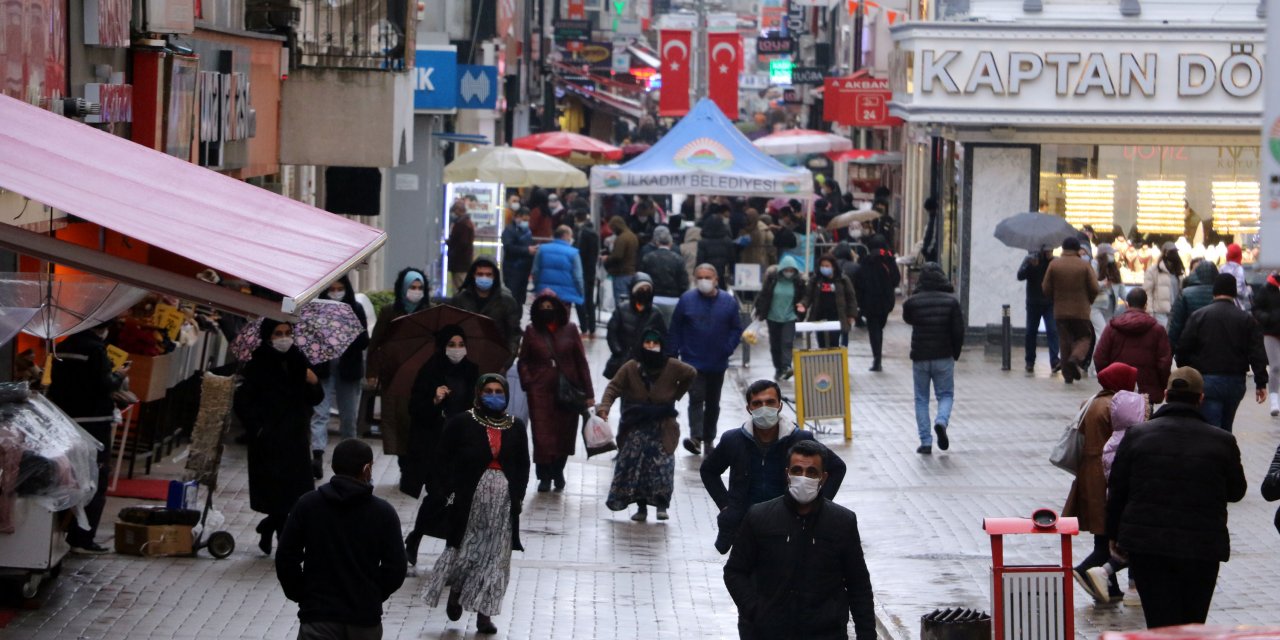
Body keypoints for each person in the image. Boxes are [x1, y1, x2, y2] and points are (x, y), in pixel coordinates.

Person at [1106, 367, 1247, 629]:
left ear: (1167, 394)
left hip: (1148, 546)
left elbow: (1117, 490)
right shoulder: (1223, 441)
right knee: (1192, 623)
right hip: (1202, 547)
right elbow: (1236, 491)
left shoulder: (1137, 435)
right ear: (1200, 398)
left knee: (1160, 623)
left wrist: (1114, 534)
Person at [723, 439, 874, 640]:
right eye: (797, 470)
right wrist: (755, 610)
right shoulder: (760, 517)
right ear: (787, 474)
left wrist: (866, 634)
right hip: (770, 633)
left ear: (823, 478)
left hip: (825, 633)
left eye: (811, 472)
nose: (804, 478)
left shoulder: (842, 522)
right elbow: (735, 571)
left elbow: (858, 585)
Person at [422, 374, 530, 636]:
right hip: (468, 502)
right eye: (488, 391)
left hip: (502, 505)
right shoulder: (462, 422)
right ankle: (457, 591)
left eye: (499, 391)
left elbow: (523, 464)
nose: (494, 396)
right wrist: (447, 491)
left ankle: (484, 614)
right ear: (479, 394)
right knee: (465, 552)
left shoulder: (516, 426)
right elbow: (442, 458)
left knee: (496, 558)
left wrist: (518, 495)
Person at [276, 439, 406, 640]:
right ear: (366, 469)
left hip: (318, 618)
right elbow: (396, 567)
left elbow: (286, 557)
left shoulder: (308, 505)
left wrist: (303, 595)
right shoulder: (383, 512)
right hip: (364, 621)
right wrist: (372, 595)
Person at [701, 380, 847, 555]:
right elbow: (708, 470)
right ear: (749, 408)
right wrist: (726, 506)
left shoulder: (799, 439)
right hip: (745, 526)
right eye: (757, 403)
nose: (764, 408)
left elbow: (837, 467)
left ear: (780, 405)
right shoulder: (733, 440)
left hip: (788, 526)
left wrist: (818, 506)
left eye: (770, 402)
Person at [235, 319, 324, 555]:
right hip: (269, 440)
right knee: (277, 493)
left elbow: (315, 398)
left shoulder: (299, 360)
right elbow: (243, 402)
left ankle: (269, 527)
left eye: (288, 332)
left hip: (295, 437)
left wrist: (314, 382)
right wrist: (258, 429)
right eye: (278, 333)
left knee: (296, 493)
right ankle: (283, 539)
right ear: (268, 337)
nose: (284, 338)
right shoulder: (257, 364)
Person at [597, 330, 697, 522]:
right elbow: (613, 387)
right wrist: (604, 407)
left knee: (663, 466)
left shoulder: (672, 365)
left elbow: (691, 373)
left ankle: (661, 505)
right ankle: (641, 507)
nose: (651, 346)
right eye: (647, 342)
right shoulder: (631, 367)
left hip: (663, 425)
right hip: (637, 424)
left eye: (655, 343)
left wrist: (676, 393)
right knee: (637, 466)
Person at [403, 326, 479, 565]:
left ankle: (451, 548)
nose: (457, 350)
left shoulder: (472, 371)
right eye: (451, 345)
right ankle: (416, 538)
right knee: (436, 495)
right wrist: (434, 400)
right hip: (434, 446)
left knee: (457, 499)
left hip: (462, 446)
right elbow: (414, 408)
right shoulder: (430, 370)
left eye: (461, 344)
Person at [46, 322, 123, 554]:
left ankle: (58, 532)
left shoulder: (63, 346)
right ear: (102, 327)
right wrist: (119, 376)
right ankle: (82, 538)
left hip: (65, 420)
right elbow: (104, 384)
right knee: (94, 477)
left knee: (66, 475)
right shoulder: (96, 349)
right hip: (94, 422)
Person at [1064, 362, 1137, 603]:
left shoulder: (1091, 402)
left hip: (1088, 475)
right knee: (1108, 538)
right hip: (1106, 475)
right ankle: (1085, 570)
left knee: (1102, 535)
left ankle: (1111, 590)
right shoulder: (1115, 406)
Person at [518, 292, 595, 492]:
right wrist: (529, 382)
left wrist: (589, 393)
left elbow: (581, 362)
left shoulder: (570, 330)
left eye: (550, 307)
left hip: (568, 390)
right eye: (542, 307)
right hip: (539, 391)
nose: (546, 310)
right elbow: (523, 360)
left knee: (564, 434)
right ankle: (544, 476)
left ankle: (558, 470)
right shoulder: (531, 331)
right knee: (541, 435)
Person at [1175, 273, 1269, 432]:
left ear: (1214, 291)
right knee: (1226, 426)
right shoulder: (1246, 319)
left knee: (1211, 427)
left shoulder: (1199, 316)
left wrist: (1189, 372)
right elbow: (1256, 352)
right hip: (1235, 380)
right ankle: (1225, 446)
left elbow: (1183, 348)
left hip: (1207, 380)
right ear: (1234, 293)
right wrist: (1261, 382)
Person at [1080, 389, 1148, 604]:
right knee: (1140, 544)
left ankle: (1115, 579)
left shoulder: (1114, 440)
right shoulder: (1133, 441)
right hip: (1133, 504)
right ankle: (1112, 577)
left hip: (1119, 503)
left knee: (1132, 545)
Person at [669, 265, 742, 455]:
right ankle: (696, 436)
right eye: (700, 277)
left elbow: (736, 328)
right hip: (692, 361)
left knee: (712, 402)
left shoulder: (728, 302)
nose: (704, 281)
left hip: (717, 361)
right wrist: (673, 354)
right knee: (696, 398)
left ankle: (709, 438)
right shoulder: (686, 300)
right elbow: (675, 327)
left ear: (716, 279)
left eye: (707, 277)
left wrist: (728, 348)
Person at [366, 267, 429, 477]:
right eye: (412, 287)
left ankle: (414, 464)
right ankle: (404, 463)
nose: (416, 291)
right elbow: (376, 342)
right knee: (398, 420)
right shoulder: (389, 311)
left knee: (417, 420)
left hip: (421, 376)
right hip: (394, 375)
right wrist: (372, 371)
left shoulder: (429, 312)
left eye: (420, 287)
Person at [310, 275, 369, 479]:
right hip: (324, 368)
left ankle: (349, 458)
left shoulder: (356, 309)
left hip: (348, 369)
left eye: (339, 288)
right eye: (332, 289)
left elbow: (364, 340)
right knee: (320, 413)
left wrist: (346, 334)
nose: (336, 293)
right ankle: (317, 455)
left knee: (348, 416)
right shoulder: (318, 310)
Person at [902, 263, 964, 455]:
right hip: (943, 355)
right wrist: (955, 352)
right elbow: (958, 330)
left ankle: (925, 442)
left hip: (920, 356)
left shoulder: (913, 302)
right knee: (945, 395)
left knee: (921, 399)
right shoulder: (951, 302)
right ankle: (941, 421)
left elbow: (908, 319)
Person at [1094, 288, 1173, 404]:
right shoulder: (1157, 330)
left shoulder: (1112, 328)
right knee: (1146, 415)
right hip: (1146, 394)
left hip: (1117, 390)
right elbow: (1164, 363)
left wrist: (1108, 380)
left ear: (1127, 304)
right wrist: (1162, 385)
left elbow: (1099, 358)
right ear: (1145, 305)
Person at [1042, 236, 1100, 384]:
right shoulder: (1084, 266)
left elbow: (1046, 288)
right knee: (1085, 337)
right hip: (1081, 311)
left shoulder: (1054, 265)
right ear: (1077, 249)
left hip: (1060, 311)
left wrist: (1055, 299)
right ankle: (1076, 358)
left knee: (1064, 341)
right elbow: (1095, 288)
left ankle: (1068, 376)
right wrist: (1089, 300)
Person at [450, 257, 522, 368]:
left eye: (488, 275)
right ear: (473, 275)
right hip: (465, 360)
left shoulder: (506, 302)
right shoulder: (460, 300)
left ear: (494, 276)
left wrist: (506, 363)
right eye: (480, 274)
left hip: (496, 360)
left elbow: (513, 334)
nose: (484, 278)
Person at [604, 273, 667, 379]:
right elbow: (612, 332)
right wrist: (618, 351)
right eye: (641, 289)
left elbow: (662, 338)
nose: (644, 292)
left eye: (647, 289)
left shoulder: (656, 313)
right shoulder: (621, 309)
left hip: (645, 364)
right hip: (623, 361)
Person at [854, 234, 900, 372]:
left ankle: (877, 358)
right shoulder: (889, 259)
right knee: (879, 327)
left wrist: (860, 302)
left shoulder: (866, 261)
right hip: (886, 301)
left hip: (869, 301)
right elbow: (896, 279)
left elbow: (859, 282)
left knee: (874, 330)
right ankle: (878, 357)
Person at [753, 255, 804, 380]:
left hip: (790, 317)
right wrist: (759, 310)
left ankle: (786, 366)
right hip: (773, 317)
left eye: (791, 270)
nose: (789, 272)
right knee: (775, 344)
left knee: (787, 342)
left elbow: (803, 297)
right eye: (787, 269)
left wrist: (801, 309)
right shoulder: (772, 280)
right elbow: (764, 295)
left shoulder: (798, 283)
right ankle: (778, 369)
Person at [798, 253, 859, 349]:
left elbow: (851, 297)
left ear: (833, 267)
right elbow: (808, 296)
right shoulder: (815, 280)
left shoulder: (842, 280)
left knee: (834, 343)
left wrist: (851, 314)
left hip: (837, 317)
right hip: (820, 317)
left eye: (827, 266)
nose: (824, 268)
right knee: (822, 344)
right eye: (822, 266)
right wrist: (803, 304)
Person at [1018, 248, 1060, 374]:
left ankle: (1054, 361)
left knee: (1052, 330)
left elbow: (1057, 277)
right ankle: (1030, 361)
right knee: (1031, 332)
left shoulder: (1052, 261)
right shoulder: (1030, 259)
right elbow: (1020, 275)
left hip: (1049, 302)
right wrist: (1030, 265)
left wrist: (1051, 260)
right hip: (1033, 302)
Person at [1168, 259, 1219, 347]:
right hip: (1216, 346)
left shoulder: (1185, 294)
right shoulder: (1221, 294)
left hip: (1191, 346)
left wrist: (1172, 348)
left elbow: (1175, 325)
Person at [531, 225, 585, 308]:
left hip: (545, 293)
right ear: (565, 235)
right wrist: (581, 292)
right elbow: (578, 277)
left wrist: (537, 287)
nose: (571, 239)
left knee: (545, 315)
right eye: (570, 236)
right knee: (562, 315)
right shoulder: (573, 253)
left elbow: (535, 271)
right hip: (566, 296)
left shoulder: (542, 249)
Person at [1252, 272, 1280, 416]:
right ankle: (1274, 401)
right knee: (1275, 366)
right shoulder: (1267, 288)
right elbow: (1256, 309)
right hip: (1271, 332)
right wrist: (1266, 318)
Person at [573, 208, 601, 335]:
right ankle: (592, 326)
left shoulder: (583, 233)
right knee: (589, 300)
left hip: (582, 271)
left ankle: (584, 326)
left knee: (580, 299)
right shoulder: (593, 232)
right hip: (591, 271)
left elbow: (580, 254)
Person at [640, 226, 688, 299]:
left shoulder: (647, 257)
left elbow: (642, 276)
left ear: (657, 242)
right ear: (670, 242)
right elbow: (683, 281)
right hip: (673, 296)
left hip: (653, 295)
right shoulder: (678, 258)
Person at [501, 208, 535, 307]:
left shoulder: (527, 231)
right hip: (512, 268)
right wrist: (527, 250)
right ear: (517, 217)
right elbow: (509, 247)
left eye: (527, 220)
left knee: (520, 298)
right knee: (512, 297)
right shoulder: (509, 230)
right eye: (524, 219)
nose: (526, 222)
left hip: (524, 269)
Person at [1143, 244, 1183, 328]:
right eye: (1171, 252)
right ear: (1164, 253)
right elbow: (1147, 292)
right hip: (1160, 312)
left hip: (1175, 311)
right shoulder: (1153, 271)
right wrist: (1150, 312)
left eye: (1175, 252)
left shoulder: (1178, 272)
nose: (1174, 254)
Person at [604, 216, 639, 309]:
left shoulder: (622, 238)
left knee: (621, 303)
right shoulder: (632, 236)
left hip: (621, 274)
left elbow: (617, 256)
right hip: (631, 273)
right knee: (629, 302)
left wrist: (607, 258)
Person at [697, 213, 736, 290]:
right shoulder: (728, 241)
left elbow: (700, 260)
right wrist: (732, 273)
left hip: (707, 274)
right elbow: (732, 259)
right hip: (722, 275)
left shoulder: (702, 242)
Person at [446, 201, 475, 293]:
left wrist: (451, 245)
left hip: (460, 262)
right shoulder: (466, 223)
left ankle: (460, 302)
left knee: (459, 287)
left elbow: (462, 243)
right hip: (462, 262)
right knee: (459, 285)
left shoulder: (462, 224)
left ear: (458, 210)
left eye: (454, 211)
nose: (453, 214)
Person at [738, 209, 776, 274]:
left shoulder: (743, 230)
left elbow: (771, 249)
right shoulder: (764, 229)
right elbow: (772, 248)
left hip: (749, 262)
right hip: (757, 261)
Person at [1221, 243, 1251, 310]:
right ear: (1239, 255)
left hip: (1223, 303)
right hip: (1237, 306)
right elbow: (1239, 290)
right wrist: (1248, 290)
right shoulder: (1239, 269)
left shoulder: (1222, 268)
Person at [920, 197, 940, 264]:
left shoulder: (934, 219)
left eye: (928, 210)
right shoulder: (932, 218)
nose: (928, 212)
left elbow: (933, 235)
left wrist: (927, 249)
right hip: (929, 250)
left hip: (930, 252)